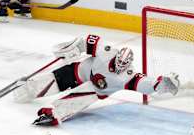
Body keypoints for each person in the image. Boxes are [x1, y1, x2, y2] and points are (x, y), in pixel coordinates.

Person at [12, 34, 180, 126]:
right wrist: (72, 48)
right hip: (80, 71)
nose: (120, 65)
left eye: (124, 64)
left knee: (79, 98)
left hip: (95, 91)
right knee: (50, 81)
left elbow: (147, 84)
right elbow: (86, 41)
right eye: (119, 62)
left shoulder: (128, 75)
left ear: (129, 63)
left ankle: (55, 114)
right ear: (116, 57)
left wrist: (162, 83)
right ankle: (26, 89)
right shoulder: (107, 51)